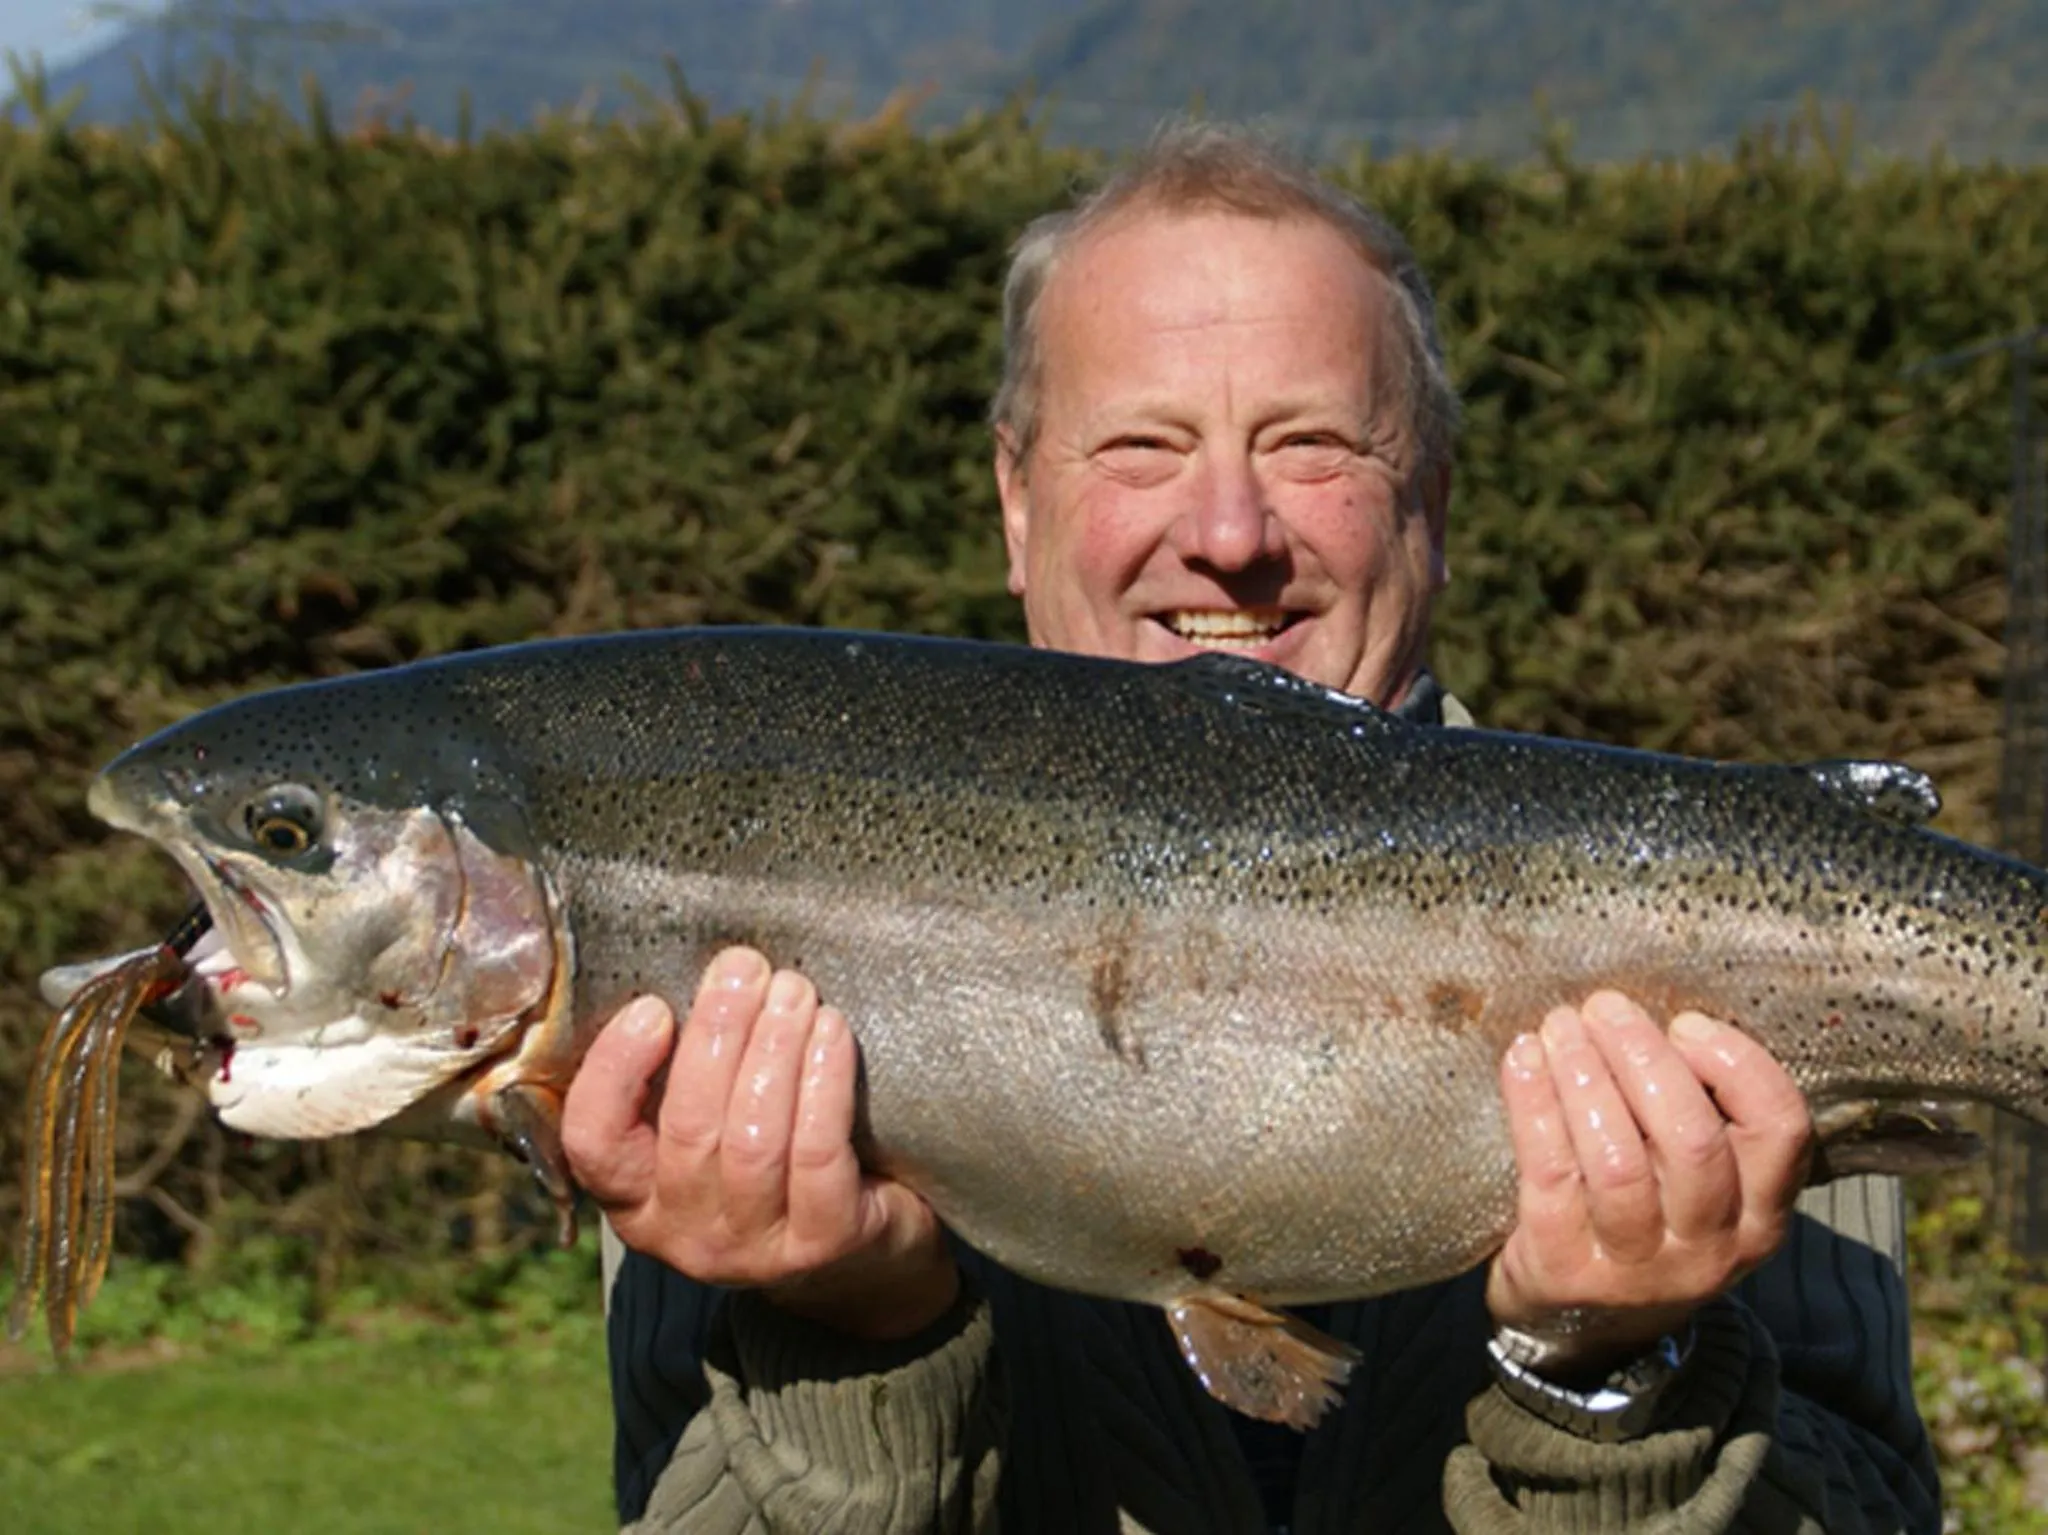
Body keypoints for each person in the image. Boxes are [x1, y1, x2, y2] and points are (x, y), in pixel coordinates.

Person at [560, 120, 1939, 1533]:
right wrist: (848, 1333)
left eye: (1313, 445)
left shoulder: (1730, 950)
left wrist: (1603, 1373)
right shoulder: (750, 983)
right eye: (1144, 448)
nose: (1229, 530)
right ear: (1017, 501)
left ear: (1433, 503)